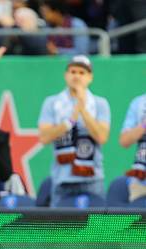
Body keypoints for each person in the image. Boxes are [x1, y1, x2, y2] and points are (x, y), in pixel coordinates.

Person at [38, 55, 110, 207]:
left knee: (96, 228)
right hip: (62, 179)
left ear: (90, 77)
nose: (76, 76)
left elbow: (102, 137)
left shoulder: (100, 103)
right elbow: (44, 137)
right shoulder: (52, 103)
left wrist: (82, 109)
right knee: (59, 227)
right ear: (66, 75)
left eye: (82, 73)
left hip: (93, 179)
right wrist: (69, 121)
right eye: (73, 71)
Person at [119, 93, 146, 201]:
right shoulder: (138, 103)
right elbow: (124, 141)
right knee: (137, 216)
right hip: (141, 183)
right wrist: (143, 125)